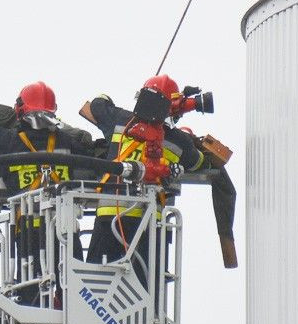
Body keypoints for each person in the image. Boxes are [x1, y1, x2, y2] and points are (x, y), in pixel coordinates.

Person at [0, 81, 93, 308]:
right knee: (75, 295)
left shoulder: (8, 142)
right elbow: (88, 142)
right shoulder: (67, 142)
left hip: (29, 232)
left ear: (21, 110)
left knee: (30, 293)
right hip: (66, 232)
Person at [85, 74, 207, 288]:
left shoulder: (120, 120)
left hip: (110, 216)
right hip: (149, 222)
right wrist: (184, 124)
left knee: (96, 288)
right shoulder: (180, 141)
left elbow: (97, 103)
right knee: (146, 292)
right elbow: (198, 162)